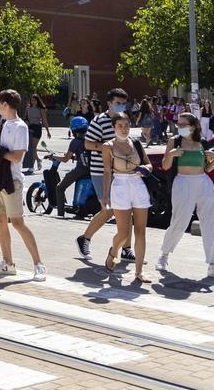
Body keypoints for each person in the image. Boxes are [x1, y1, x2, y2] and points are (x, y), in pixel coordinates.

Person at [0, 89, 46, 280]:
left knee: (18, 223)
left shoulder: (21, 127)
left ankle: (38, 264)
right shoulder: (4, 123)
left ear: (4, 104)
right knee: (0, 221)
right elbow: (2, 148)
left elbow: (17, 157)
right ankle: (7, 263)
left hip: (13, 180)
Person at [157, 112, 214, 279]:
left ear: (194, 126)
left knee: (211, 222)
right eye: (178, 124)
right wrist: (171, 154)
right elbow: (165, 166)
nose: (179, 127)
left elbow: (206, 168)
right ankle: (164, 255)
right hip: (182, 182)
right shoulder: (174, 141)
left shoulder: (201, 142)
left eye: (183, 125)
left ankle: (213, 265)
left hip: (203, 182)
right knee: (179, 221)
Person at [76, 88, 133, 262]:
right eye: (118, 103)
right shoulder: (99, 121)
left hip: (122, 172)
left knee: (126, 210)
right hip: (101, 171)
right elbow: (88, 144)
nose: (121, 106)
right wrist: (109, 148)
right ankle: (84, 238)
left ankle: (126, 249)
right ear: (109, 103)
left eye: (123, 103)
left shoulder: (124, 120)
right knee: (108, 210)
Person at [100, 111, 153, 282]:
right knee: (123, 234)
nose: (124, 129)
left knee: (141, 231)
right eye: (120, 126)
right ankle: (114, 251)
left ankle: (138, 272)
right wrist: (105, 195)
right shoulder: (108, 146)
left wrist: (147, 169)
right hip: (120, 186)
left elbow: (148, 163)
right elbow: (107, 171)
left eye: (127, 125)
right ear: (113, 127)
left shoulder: (136, 143)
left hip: (138, 185)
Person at [53, 116, 91, 218]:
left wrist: (53, 156)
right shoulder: (90, 139)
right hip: (92, 169)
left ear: (73, 129)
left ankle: (60, 214)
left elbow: (65, 159)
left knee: (59, 188)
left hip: (81, 170)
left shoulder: (76, 141)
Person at [23, 94, 49, 174]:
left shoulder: (41, 108)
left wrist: (48, 131)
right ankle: (38, 160)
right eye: (32, 100)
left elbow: (44, 119)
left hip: (37, 128)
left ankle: (31, 167)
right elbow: (25, 117)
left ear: (38, 101)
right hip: (29, 127)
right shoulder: (28, 107)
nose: (33, 101)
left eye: (34, 100)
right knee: (30, 147)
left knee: (33, 147)